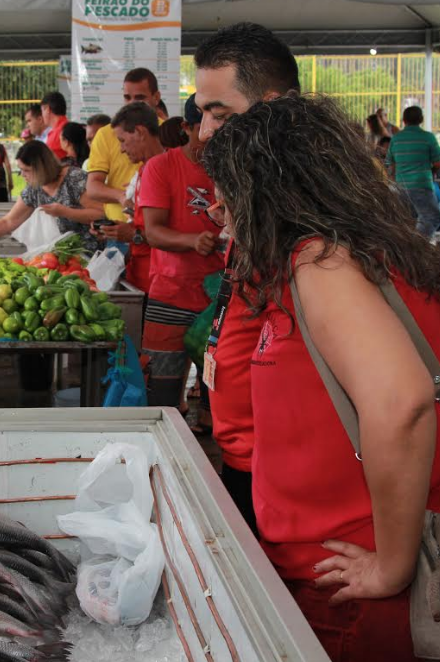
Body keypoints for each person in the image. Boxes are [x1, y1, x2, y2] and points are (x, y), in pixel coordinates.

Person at [204, 93, 440, 662]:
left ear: (267, 193)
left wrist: (391, 565)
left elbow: (402, 403)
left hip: (353, 582)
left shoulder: (323, 263)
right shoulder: (346, 257)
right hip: (338, 569)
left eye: (227, 198)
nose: (220, 214)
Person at [193, 21, 301, 535]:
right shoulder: (250, 206)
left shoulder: (308, 232)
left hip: (283, 477)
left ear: (273, 108)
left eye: (221, 114)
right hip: (243, 456)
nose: (205, 131)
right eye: (202, 113)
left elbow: (399, 401)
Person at [136, 94, 222, 431]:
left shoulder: (229, 167)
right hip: (170, 292)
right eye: (203, 128)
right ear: (185, 127)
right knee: (162, 391)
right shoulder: (160, 167)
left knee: (217, 390)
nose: (210, 137)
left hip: (219, 297)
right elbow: (153, 232)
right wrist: (192, 241)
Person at [86, 67, 162, 278]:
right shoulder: (106, 134)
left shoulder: (169, 139)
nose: (132, 103)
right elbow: (92, 187)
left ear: (156, 98)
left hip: (150, 243)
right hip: (120, 234)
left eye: (140, 97)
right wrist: (122, 197)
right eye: (127, 97)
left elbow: (170, 230)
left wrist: (137, 234)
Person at [0, 141, 104, 254]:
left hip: (87, 257)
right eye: (20, 169)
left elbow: (101, 213)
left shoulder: (74, 179)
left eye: (26, 170)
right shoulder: (34, 188)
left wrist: (65, 212)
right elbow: (8, 221)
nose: (22, 175)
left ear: (42, 168)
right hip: (55, 258)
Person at [108, 102, 165, 294]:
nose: (122, 149)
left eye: (122, 140)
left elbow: (174, 231)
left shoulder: (166, 171)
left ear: (140, 132)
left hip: (159, 282)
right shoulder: (143, 171)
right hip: (139, 276)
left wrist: (133, 235)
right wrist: (118, 230)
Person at [386, 105, 440, 237]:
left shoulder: (396, 139)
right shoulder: (428, 138)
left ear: (404, 120)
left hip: (400, 188)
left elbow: (389, 163)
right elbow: (438, 162)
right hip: (421, 186)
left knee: (406, 220)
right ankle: (417, 244)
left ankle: (407, 247)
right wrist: (432, 170)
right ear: (421, 119)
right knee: (432, 216)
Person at [41, 92, 69, 161]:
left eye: (42, 111)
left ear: (47, 109)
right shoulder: (67, 126)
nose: (42, 116)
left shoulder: (58, 134)